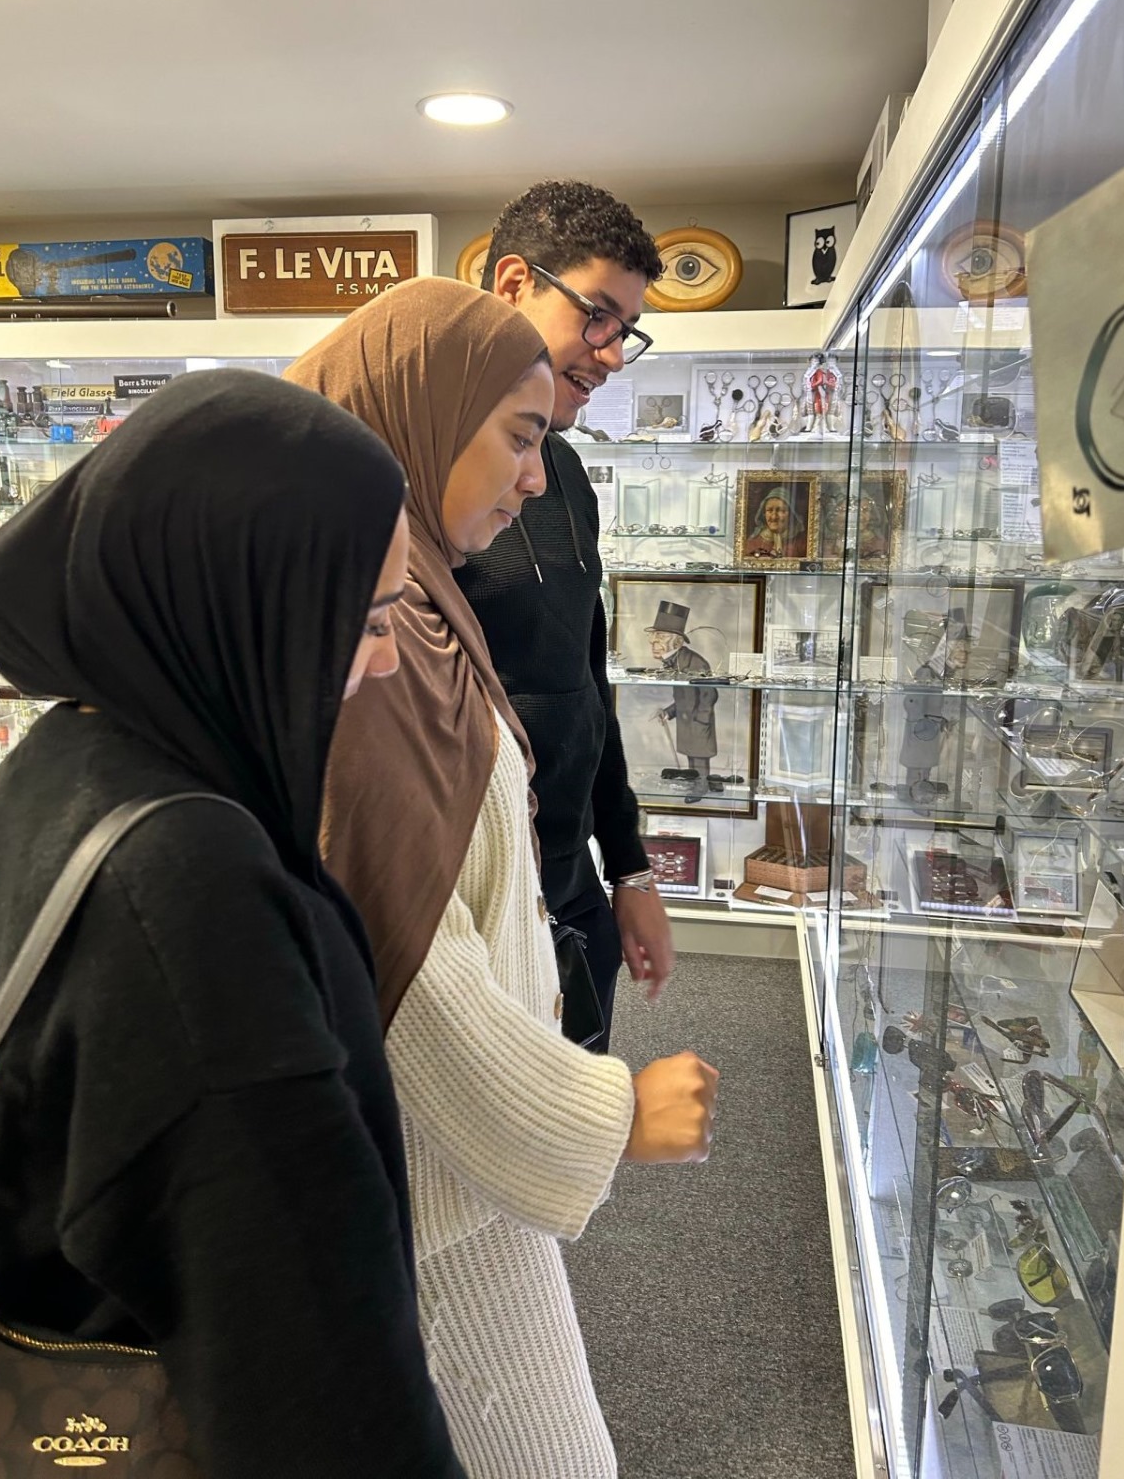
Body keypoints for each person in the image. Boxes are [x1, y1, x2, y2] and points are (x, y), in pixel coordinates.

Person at [0, 371, 466, 1478]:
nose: (382, 661)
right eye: (369, 617)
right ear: (245, 599)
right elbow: (314, 1381)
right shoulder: (194, 890)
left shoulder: (57, 764)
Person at [285, 278, 718, 1479]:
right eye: (518, 438)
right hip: (436, 1188)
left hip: (457, 1176)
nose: (535, 477)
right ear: (420, 419)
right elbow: (409, 963)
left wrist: (623, 862)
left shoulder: (412, 599)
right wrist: (604, 1111)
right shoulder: (380, 632)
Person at [453, 180, 670, 1051]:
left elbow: (586, 681)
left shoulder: (566, 473)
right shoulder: (420, 480)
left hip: (570, 880)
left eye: (626, 330)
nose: (612, 354)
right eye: (598, 317)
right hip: (470, 902)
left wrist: (629, 867)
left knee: (580, 1145)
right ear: (513, 285)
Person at [646, 600, 719, 804]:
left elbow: (709, 693)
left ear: (676, 641)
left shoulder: (695, 662)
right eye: (654, 636)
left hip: (698, 721)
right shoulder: (674, 661)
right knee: (691, 754)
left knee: (700, 757)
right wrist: (668, 712)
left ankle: (701, 787)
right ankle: (696, 782)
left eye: (660, 637)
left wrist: (702, 719)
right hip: (688, 721)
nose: (653, 641)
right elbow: (683, 697)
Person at [745, 486, 809, 559]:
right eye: (769, 510)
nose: (774, 517)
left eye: (780, 510)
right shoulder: (753, 543)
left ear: (792, 514)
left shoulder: (804, 544)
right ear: (763, 514)